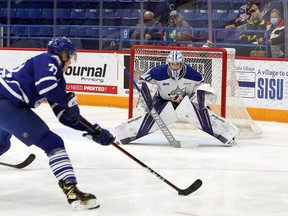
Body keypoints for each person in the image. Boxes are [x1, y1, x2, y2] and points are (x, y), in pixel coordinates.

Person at [0, 37, 115, 210]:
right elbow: (45, 87)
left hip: (7, 104)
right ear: (63, 55)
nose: (71, 62)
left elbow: (63, 116)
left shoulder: (58, 81)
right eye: (70, 57)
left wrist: (92, 130)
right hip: (5, 102)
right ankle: (72, 191)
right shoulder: (49, 60)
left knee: (2, 145)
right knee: (52, 143)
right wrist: (67, 101)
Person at [113, 50, 239, 146]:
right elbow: (142, 82)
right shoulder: (158, 72)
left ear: (182, 63)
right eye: (172, 64)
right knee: (151, 118)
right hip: (163, 100)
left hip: (185, 101)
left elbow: (203, 86)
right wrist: (146, 95)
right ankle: (122, 134)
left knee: (201, 113)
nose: (175, 66)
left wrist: (199, 100)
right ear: (168, 63)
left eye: (177, 64)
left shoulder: (192, 74)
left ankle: (228, 134)